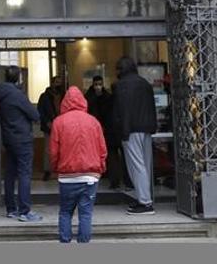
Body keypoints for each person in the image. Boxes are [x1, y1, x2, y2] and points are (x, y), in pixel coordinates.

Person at [49, 86, 106, 243]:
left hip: (67, 177)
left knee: (65, 212)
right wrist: (101, 167)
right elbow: (102, 149)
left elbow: (54, 152)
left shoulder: (58, 122)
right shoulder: (93, 122)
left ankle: (65, 242)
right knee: (86, 213)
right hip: (90, 176)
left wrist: (56, 168)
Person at [0, 65, 42, 222]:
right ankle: (24, 211)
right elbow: (34, 114)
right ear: (19, 78)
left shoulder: (1, 93)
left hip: (8, 139)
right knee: (24, 174)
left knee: (10, 174)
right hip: (22, 139)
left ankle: (11, 209)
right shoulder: (17, 95)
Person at [114, 57, 158, 215]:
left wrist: (122, 131)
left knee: (136, 166)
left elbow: (122, 111)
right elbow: (151, 107)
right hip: (146, 129)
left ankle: (145, 202)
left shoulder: (121, 86)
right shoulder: (144, 83)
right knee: (145, 165)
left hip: (131, 130)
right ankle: (144, 198)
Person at [84, 75, 124, 190]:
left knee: (111, 155)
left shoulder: (107, 97)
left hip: (107, 130)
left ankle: (113, 178)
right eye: (96, 84)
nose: (98, 87)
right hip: (101, 130)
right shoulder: (90, 97)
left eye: (100, 84)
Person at [36, 75, 65, 181]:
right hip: (49, 126)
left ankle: (62, 169)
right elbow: (40, 111)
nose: (59, 85)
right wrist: (47, 122)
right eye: (57, 82)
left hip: (62, 126)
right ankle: (48, 170)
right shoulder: (44, 96)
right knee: (48, 149)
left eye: (60, 83)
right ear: (52, 83)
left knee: (62, 149)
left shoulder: (64, 95)